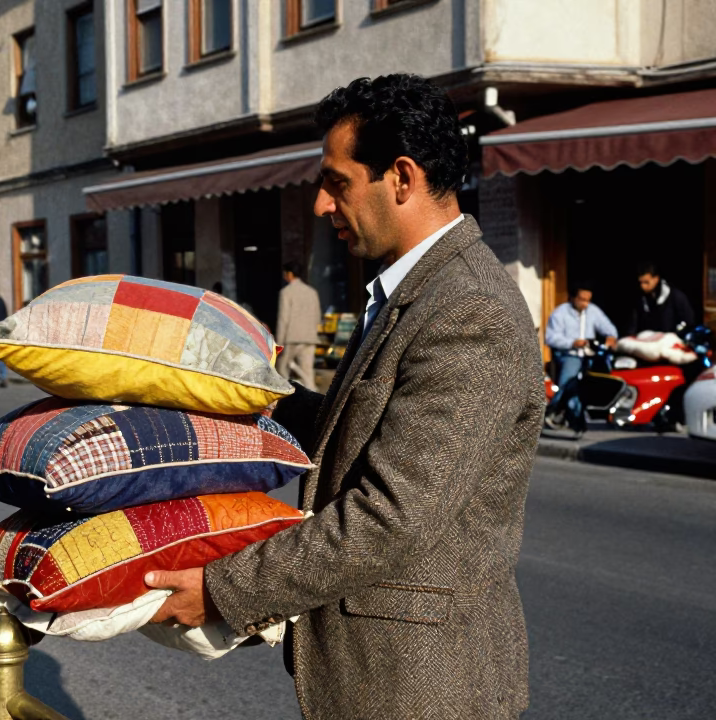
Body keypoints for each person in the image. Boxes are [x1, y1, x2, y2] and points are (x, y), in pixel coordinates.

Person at [143, 75, 544, 719]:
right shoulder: (412, 293)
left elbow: (391, 515)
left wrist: (222, 589)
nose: (321, 206)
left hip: (422, 690)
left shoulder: (469, 311)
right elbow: (354, 431)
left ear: (402, 177)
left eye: (337, 182)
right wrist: (257, 401)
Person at [545, 283, 618, 423]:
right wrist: (572, 342)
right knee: (568, 381)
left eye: (588, 300)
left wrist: (611, 337)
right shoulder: (560, 313)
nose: (585, 303)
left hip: (589, 355)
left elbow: (609, 328)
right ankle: (555, 411)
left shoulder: (593, 311)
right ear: (572, 297)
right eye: (581, 299)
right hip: (569, 354)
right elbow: (551, 338)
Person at [274, 260, 322, 391]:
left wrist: (278, 343)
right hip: (309, 337)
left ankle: (285, 395)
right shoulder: (312, 292)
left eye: (285, 273)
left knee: (282, 369)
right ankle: (313, 395)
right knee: (307, 371)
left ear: (290, 274)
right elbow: (317, 316)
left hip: (292, 338)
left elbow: (283, 319)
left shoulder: (286, 292)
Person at [625, 261, 695, 336]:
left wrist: (675, 333)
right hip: (649, 341)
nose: (643, 286)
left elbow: (688, 321)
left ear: (656, 279)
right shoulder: (640, 298)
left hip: (673, 341)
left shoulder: (675, 296)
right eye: (640, 282)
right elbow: (633, 324)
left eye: (646, 282)